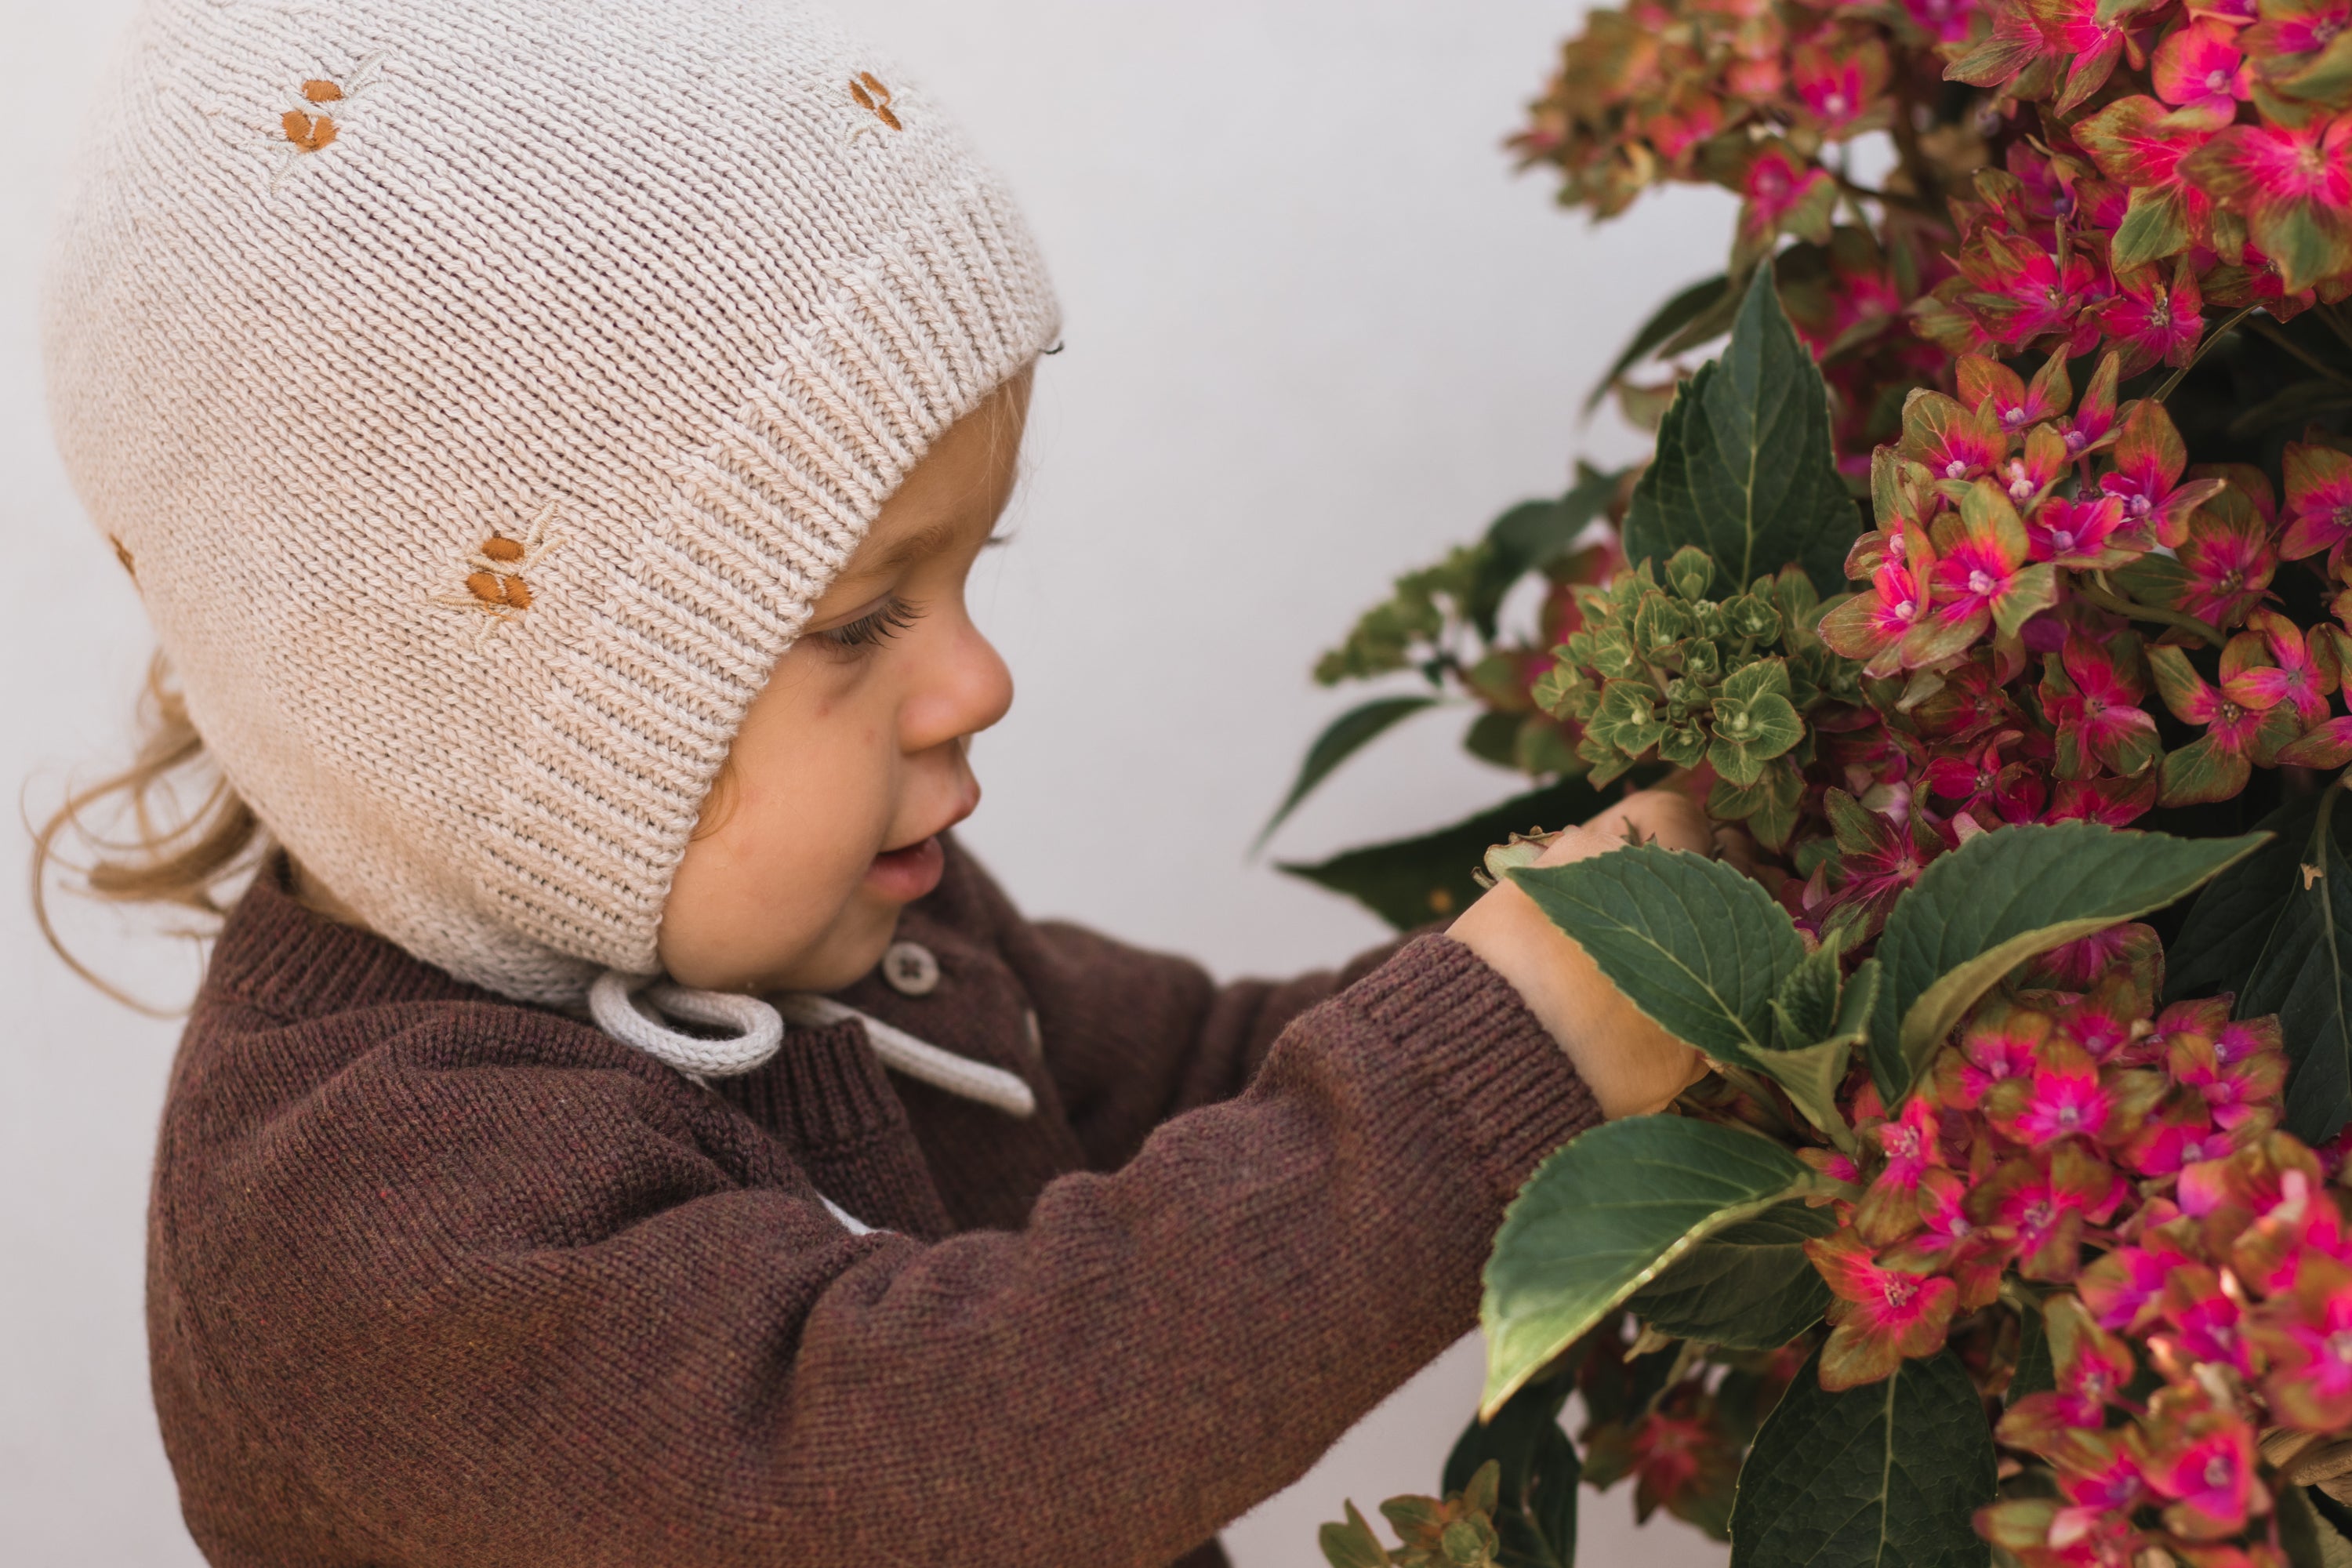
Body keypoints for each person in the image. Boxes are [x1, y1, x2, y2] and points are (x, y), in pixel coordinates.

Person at [34, 2, 1708, 1563]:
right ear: (476, 704)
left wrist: (1598, 959)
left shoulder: (835, 919)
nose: (978, 681)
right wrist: (1500, 1063)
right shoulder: (371, 1229)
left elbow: (1204, 1086)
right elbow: (944, 1446)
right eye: (854, 619)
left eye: (980, 565)